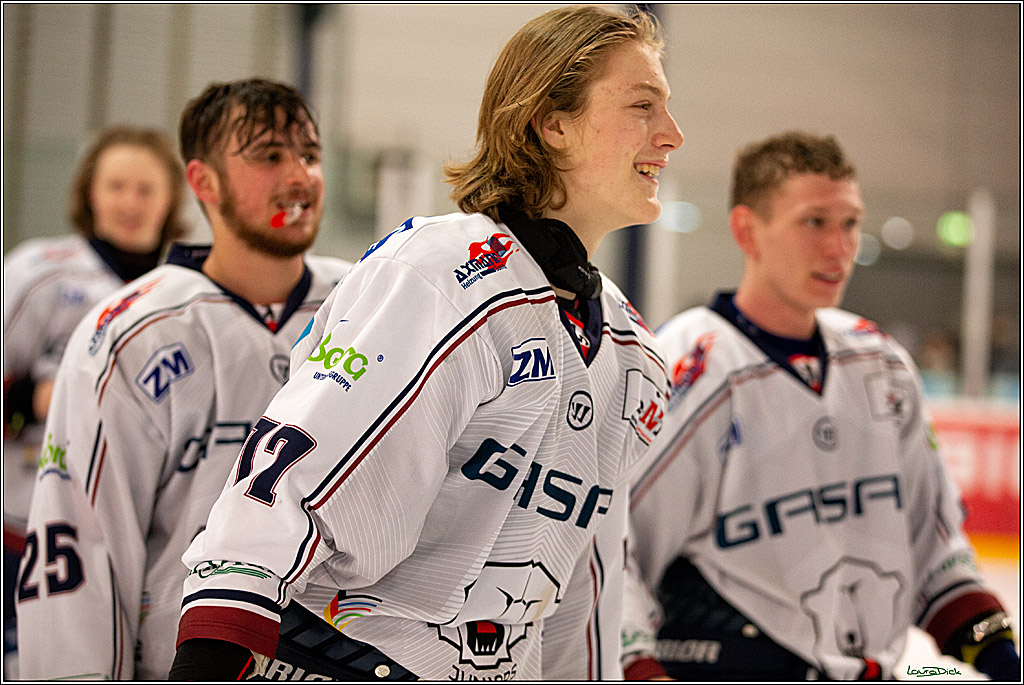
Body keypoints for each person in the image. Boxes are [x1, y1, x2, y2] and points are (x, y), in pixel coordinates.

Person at [169, 5, 684, 681]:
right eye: (643, 105)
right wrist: (211, 654)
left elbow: (584, 591)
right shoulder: (442, 272)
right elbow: (291, 477)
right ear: (551, 122)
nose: (672, 135)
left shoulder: (632, 352)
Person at [621, 131, 1020, 681]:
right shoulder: (690, 367)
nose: (839, 247)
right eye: (814, 222)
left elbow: (935, 549)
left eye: (850, 223)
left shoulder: (880, 366)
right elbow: (615, 552)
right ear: (746, 230)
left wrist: (1003, 660)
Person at [14, 78, 352, 680]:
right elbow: (85, 549)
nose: (300, 176)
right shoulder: (126, 332)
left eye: (310, 154)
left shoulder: (367, 308)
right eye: (270, 155)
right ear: (204, 183)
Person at [2, 125, 188, 678]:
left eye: (145, 188)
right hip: (28, 530)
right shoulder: (40, 273)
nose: (130, 202)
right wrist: (32, 399)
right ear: (90, 193)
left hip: (147, 542)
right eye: (116, 186)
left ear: (173, 198)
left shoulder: (187, 286)